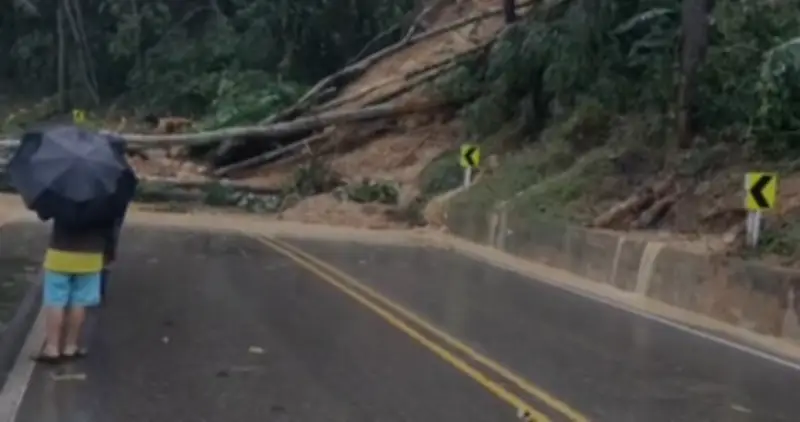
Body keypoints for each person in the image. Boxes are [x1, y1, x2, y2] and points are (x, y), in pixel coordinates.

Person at [31, 217, 118, 364]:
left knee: (55, 300)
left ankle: (52, 348)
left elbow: (44, 213)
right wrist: (109, 253)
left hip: (60, 252)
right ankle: (70, 346)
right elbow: (110, 227)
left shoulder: (62, 201)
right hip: (91, 254)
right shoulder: (102, 203)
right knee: (79, 301)